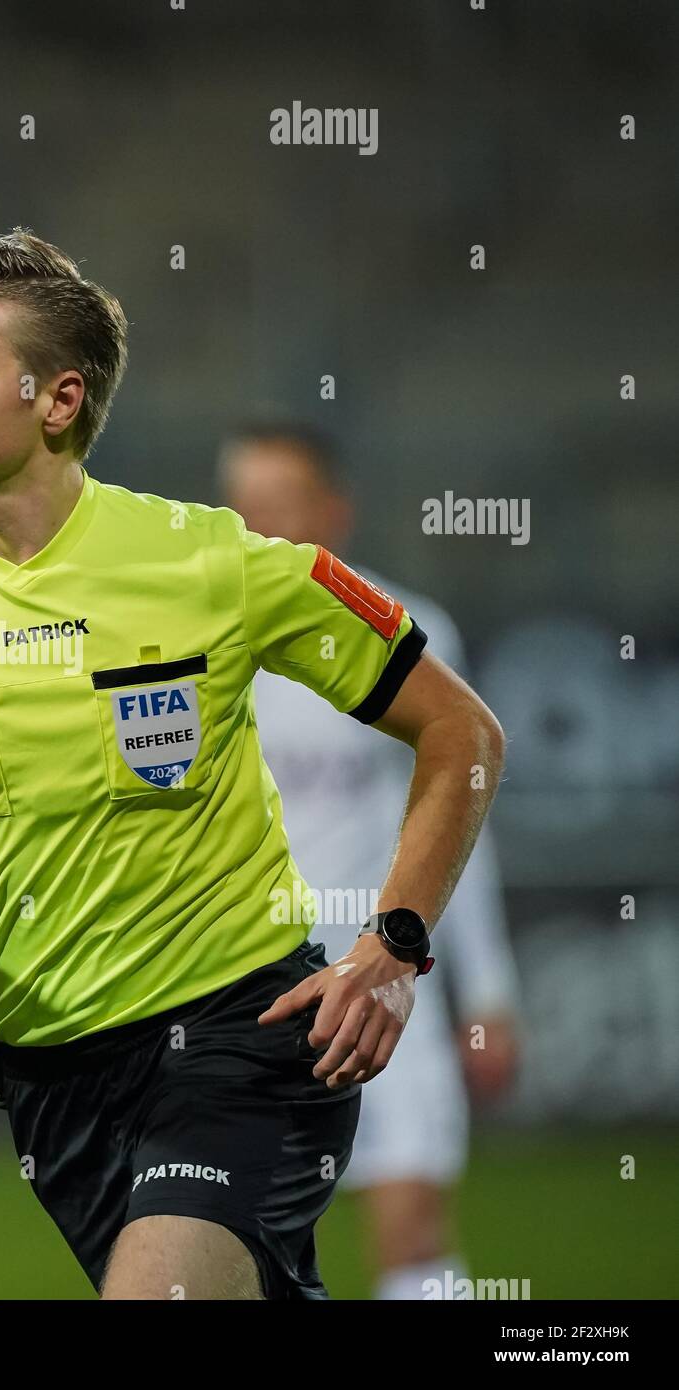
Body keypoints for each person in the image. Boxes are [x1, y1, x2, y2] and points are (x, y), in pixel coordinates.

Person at [0, 227, 506, 1300]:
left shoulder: (212, 562)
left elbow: (463, 733)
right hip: (51, 1079)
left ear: (57, 400)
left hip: (242, 1032)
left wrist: (392, 944)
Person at [218, 421, 520, 1299]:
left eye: (281, 502)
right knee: (227, 1252)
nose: (260, 521)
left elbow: (464, 822)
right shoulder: (195, 649)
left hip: (382, 979)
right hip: (242, 990)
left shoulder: (411, 638)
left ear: (334, 510)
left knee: (415, 1229)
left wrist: (490, 993)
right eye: (244, 502)